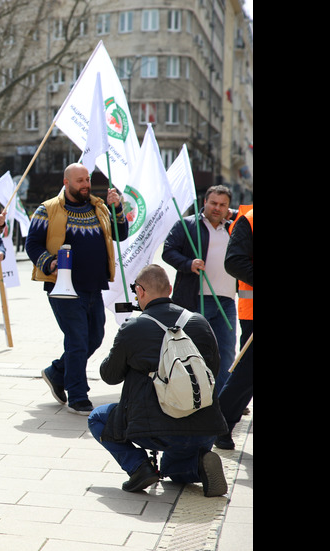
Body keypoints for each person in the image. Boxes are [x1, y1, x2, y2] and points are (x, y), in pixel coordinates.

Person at [87, 265, 228, 497]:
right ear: (170, 288)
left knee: (97, 418)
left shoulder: (133, 328)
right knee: (171, 468)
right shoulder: (200, 322)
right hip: (205, 425)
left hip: (154, 430)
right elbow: (215, 369)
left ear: (140, 292)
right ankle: (200, 464)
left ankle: (139, 467)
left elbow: (109, 376)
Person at [27, 163, 128, 415]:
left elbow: (121, 234)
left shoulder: (99, 207)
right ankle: (78, 395)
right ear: (66, 182)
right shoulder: (47, 209)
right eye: (80, 180)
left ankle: (56, 372)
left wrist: (116, 209)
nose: (85, 184)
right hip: (63, 288)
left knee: (94, 338)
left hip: (95, 287)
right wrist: (48, 263)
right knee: (78, 339)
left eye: (87, 180)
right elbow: (32, 244)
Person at [162, 185, 236, 391]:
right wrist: (189, 264)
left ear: (228, 208)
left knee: (227, 351)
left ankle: (222, 398)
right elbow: (168, 251)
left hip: (227, 300)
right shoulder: (187, 225)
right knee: (194, 350)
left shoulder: (233, 227)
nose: (217, 208)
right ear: (205, 202)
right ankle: (193, 393)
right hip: (196, 299)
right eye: (213, 203)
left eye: (223, 205)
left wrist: (234, 214)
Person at [214, 206, 253, 450]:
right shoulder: (249, 220)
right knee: (247, 372)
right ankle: (219, 425)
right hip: (253, 311)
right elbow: (234, 262)